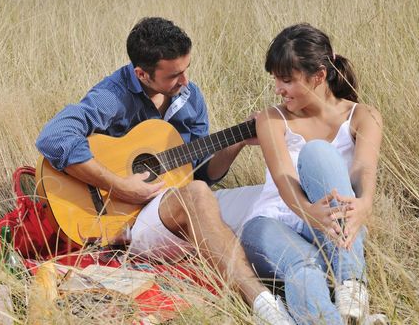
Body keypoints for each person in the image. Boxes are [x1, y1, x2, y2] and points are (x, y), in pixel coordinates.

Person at [36, 17, 294, 324]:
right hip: (126, 220)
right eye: (174, 75)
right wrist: (119, 186)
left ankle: (323, 287)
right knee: (197, 195)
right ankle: (263, 304)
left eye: (186, 69)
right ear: (142, 74)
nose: (185, 80)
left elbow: (200, 173)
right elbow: (53, 137)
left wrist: (235, 143)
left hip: (173, 205)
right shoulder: (113, 96)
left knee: (275, 195)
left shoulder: (190, 97)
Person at [239, 23, 383, 324]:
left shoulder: (363, 115)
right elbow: (282, 177)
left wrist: (366, 203)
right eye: (276, 79)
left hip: (333, 224)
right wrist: (307, 212)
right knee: (303, 266)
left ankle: (351, 285)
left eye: (287, 80)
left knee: (319, 153)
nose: (278, 89)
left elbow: (363, 170)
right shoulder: (271, 118)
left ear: (318, 75)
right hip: (273, 221)